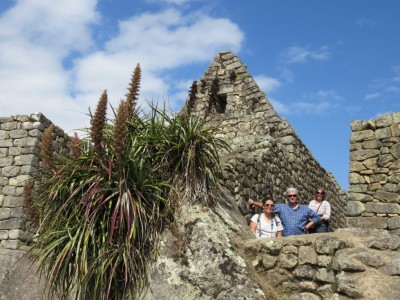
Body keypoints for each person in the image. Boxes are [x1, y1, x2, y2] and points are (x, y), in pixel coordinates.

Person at [248, 187, 320, 236]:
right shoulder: (282, 207)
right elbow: (268, 206)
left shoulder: (305, 209)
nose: (292, 197)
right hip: (285, 239)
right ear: (287, 197)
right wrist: (255, 203)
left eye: (294, 195)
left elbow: (317, 217)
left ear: (297, 196)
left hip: (300, 238)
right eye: (290, 196)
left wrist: (307, 226)